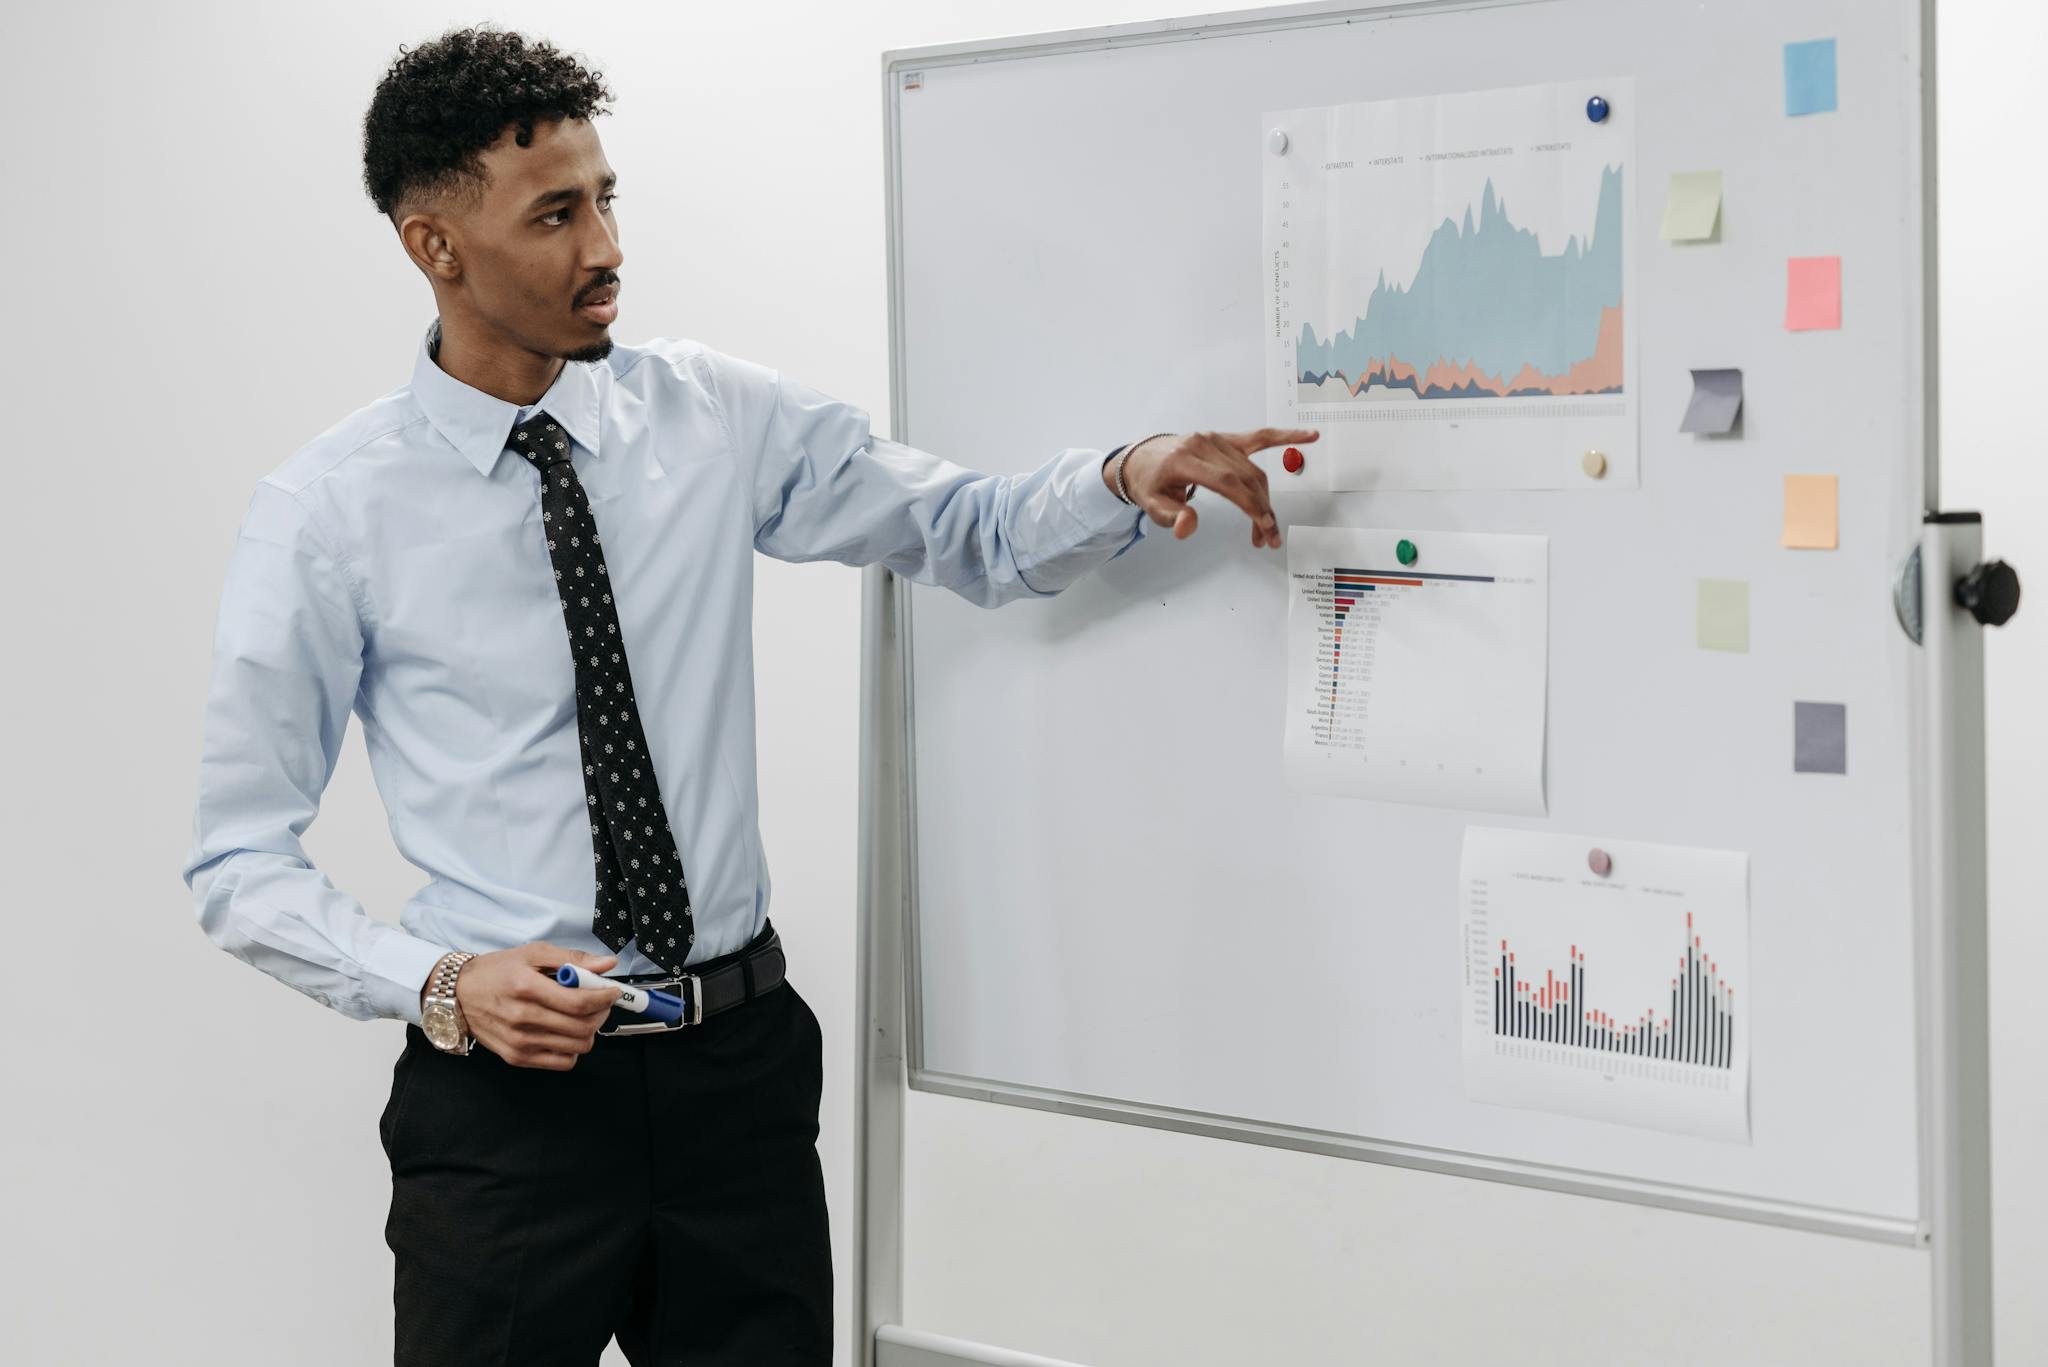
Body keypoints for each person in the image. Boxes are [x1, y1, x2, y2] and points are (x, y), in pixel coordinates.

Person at [178, 22, 1315, 1367]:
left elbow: (964, 527)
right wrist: (437, 985)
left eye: (607, 200)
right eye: (556, 215)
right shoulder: (326, 514)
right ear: (436, 247)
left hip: (739, 1082)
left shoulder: (711, 420)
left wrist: (1124, 471)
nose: (605, 249)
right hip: (507, 1118)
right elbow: (240, 858)